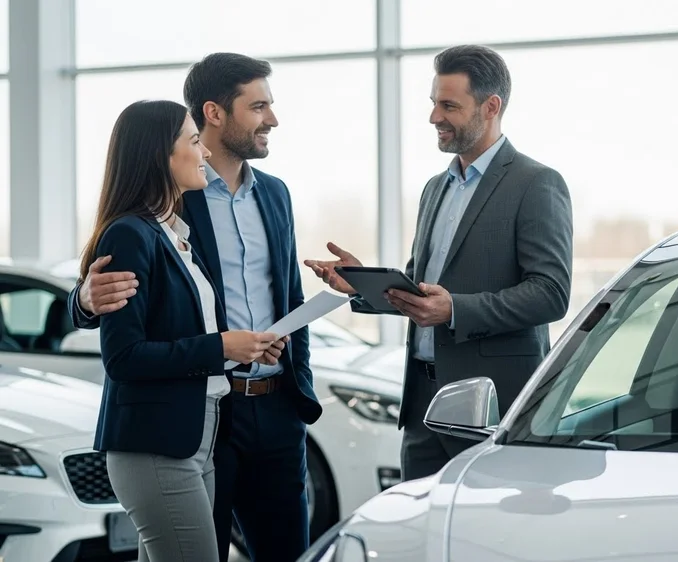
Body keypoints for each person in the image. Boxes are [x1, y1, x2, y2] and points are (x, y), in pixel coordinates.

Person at [68, 53, 321, 562]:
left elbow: (287, 294)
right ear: (214, 113)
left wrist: (300, 382)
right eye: (259, 106)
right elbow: (115, 294)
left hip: (274, 406)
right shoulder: (171, 202)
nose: (272, 119)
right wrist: (84, 301)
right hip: (202, 411)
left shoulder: (275, 194)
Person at [305, 44, 573, 481]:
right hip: (422, 403)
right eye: (433, 103)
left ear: (491, 107)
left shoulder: (537, 184)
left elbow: (551, 293)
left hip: (489, 405)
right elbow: (422, 292)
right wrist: (363, 284)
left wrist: (456, 310)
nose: (434, 117)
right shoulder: (436, 188)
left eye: (449, 105)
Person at [85, 99, 279, 562]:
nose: (206, 153)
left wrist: (244, 348)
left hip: (197, 437)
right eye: (194, 142)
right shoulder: (130, 235)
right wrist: (220, 347)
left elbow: (183, 332)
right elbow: (124, 357)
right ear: (160, 156)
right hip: (156, 443)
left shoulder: (171, 231)